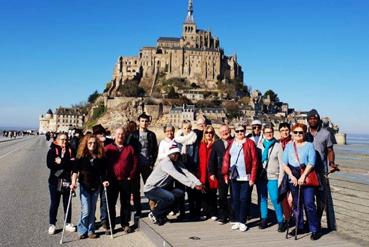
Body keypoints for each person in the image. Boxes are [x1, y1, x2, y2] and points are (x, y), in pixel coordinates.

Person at [144, 143, 204, 225]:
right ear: (169, 154)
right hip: (151, 188)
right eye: (173, 154)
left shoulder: (177, 162)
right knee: (170, 197)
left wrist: (198, 183)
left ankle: (161, 215)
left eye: (177, 154)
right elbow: (177, 175)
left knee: (180, 194)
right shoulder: (166, 162)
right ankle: (155, 213)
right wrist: (193, 185)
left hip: (162, 189)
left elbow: (186, 172)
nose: (176, 156)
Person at [282, 123, 321, 240]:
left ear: (304, 133)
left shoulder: (309, 145)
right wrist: (291, 176)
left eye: (300, 132)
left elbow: (311, 163)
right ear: (292, 134)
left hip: (306, 178)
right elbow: (284, 164)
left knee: (309, 203)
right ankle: (299, 226)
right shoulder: (289, 146)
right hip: (293, 178)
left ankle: (315, 229)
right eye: (295, 132)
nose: (298, 134)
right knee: (296, 204)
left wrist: (303, 176)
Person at [71, 134, 109, 239]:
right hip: (84, 186)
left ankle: (91, 230)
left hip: (96, 186)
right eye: (90, 143)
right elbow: (75, 171)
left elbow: (103, 172)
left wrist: (105, 180)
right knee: (86, 210)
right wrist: (73, 182)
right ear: (86, 144)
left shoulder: (100, 157)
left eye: (94, 143)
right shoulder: (81, 156)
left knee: (92, 209)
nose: (92, 145)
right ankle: (82, 229)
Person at [222, 123, 258, 232]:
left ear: (245, 131)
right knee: (235, 199)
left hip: (246, 176)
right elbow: (226, 159)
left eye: (241, 131)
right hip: (234, 176)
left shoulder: (250, 143)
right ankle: (237, 220)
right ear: (234, 132)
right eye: (237, 131)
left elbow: (255, 161)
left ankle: (243, 221)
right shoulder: (231, 143)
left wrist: (252, 177)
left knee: (244, 199)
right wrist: (225, 174)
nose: (239, 133)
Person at [305, 109, 338, 231]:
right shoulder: (304, 134)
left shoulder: (326, 133)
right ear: (308, 120)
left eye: (315, 118)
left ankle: (316, 223)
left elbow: (330, 150)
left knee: (321, 201)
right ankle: (311, 223)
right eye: (310, 118)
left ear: (318, 119)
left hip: (321, 172)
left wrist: (332, 162)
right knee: (308, 200)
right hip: (307, 172)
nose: (313, 120)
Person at [104, 127, 138, 234]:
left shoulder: (130, 148)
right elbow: (103, 164)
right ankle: (111, 225)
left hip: (125, 179)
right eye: (118, 134)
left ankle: (125, 224)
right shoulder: (108, 148)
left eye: (122, 134)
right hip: (112, 180)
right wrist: (105, 178)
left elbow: (135, 163)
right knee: (111, 204)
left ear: (125, 136)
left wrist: (130, 176)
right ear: (114, 135)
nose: (120, 136)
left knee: (126, 203)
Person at [128, 113, 158, 218]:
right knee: (136, 189)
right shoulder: (133, 135)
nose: (144, 123)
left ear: (148, 122)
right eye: (142, 121)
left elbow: (155, 150)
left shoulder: (151, 135)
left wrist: (152, 163)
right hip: (135, 165)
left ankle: (153, 208)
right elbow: (128, 149)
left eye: (146, 121)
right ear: (138, 122)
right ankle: (138, 210)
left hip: (147, 164)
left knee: (150, 187)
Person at [257, 124, 286, 231]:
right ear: (263, 134)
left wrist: (280, 180)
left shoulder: (278, 146)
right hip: (261, 177)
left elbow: (282, 164)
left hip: (274, 177)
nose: (269, 134)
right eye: (267, 132)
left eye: (271, 132)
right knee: (263, 198)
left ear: (273, 133)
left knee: (275, 199)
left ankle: (280, 221)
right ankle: (264, 219)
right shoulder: (259, 146)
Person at [46, 133, 76, 235]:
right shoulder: (52, 151)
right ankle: (52, 224)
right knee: (55, 203)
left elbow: (73, 165)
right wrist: (65, 164)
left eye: (66, 140)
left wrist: (61, 161)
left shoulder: (71, 150)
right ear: (57, 140)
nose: (64, 142)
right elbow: (50, 164)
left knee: (67, 203)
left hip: (67, 180)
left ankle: (67, 223)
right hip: (55, 181)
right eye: (62, 140)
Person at [175, 120, 201, 219]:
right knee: (180, 191)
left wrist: (193, 168)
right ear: (182, 128)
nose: (186, 130)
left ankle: (192, 211)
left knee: (191, 191)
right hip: (180, 168)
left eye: (188, 128)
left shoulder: (194, 139)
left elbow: (196, 155)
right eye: (184, 128)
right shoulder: (177, 139)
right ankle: (182, 212)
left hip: (190, 167)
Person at [208, 124, 233, 224]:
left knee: (234, 196)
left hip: (233, 173)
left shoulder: (235, 142)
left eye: (226, 131)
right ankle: (223, 216)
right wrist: (211, 172)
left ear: (230, 131)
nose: (224, 133)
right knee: (222, 196)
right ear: (220, 133)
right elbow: (211, 160)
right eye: (222, 132)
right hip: (221, 173)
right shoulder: (217, 144)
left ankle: (233, 216)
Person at [92, 124, 112, 230]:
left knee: (105, 200)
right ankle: (92, 220)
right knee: (94, 200)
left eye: (102, 132)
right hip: (95, 177)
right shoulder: (93, 144)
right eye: (99, 133)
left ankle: (104, 220)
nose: (101, 135)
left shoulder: (109, 142)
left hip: (107, 176)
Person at [198, 125, 218, 220]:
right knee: (204, 192)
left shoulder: (216, 144)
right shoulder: (201, 144)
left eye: (211, 132)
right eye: (207, 132)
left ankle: (213, 212)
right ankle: (205, 211)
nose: (209, 134)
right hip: (203, 172)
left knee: (213, 193)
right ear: (204, 134)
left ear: (213, 134)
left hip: (212, 172)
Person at [278, 122, 293, 221]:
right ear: (279, 132)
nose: (285, 132)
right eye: (282, 131)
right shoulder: (277, 143)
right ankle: (287, 218)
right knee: (282, 196)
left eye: (286, 130)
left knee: (291, 199)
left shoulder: (293, 142)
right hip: (280, 175)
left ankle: (289, 218)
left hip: (292, 174)